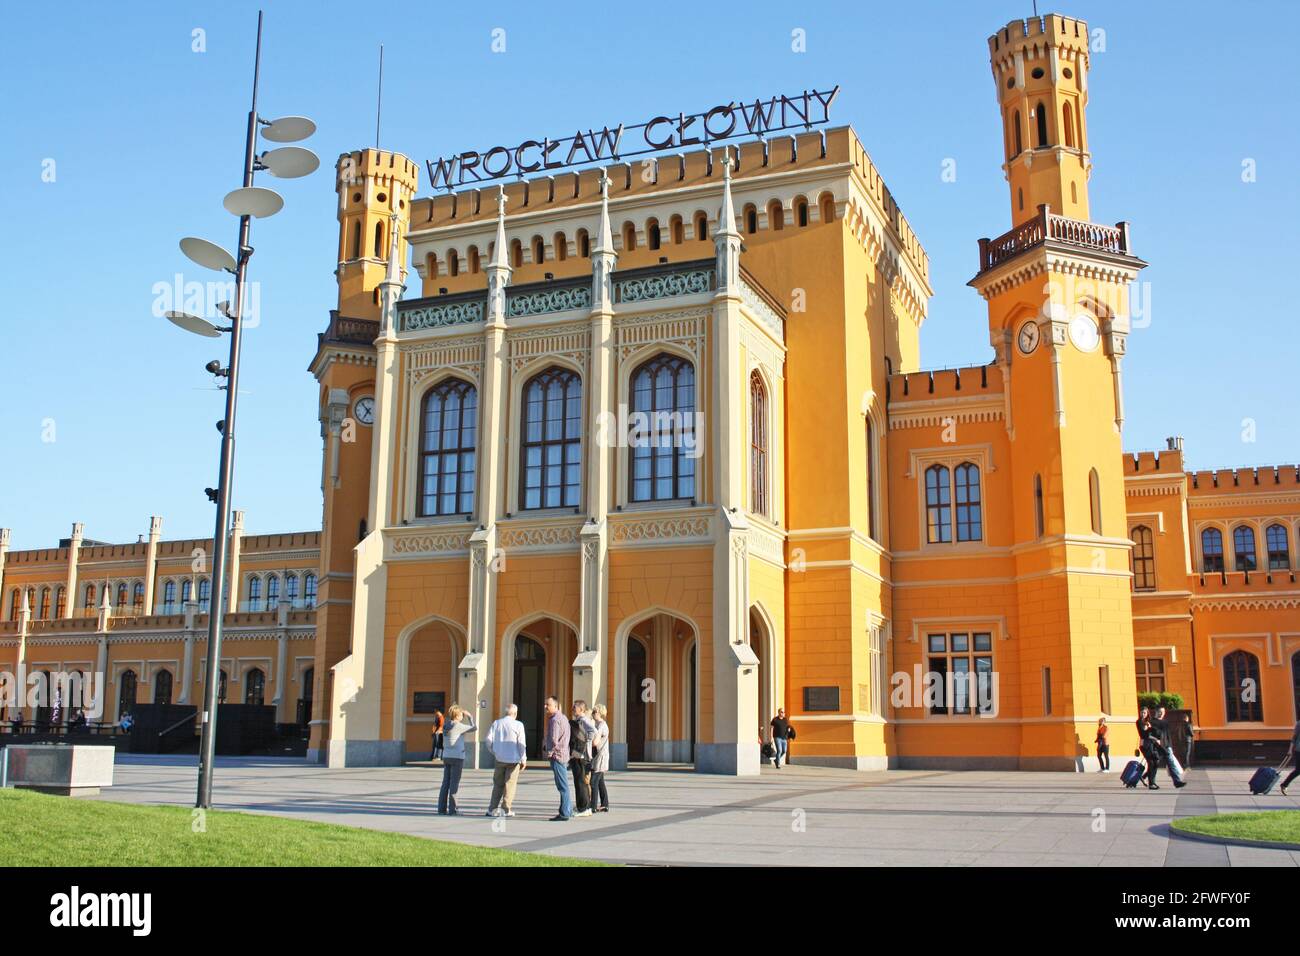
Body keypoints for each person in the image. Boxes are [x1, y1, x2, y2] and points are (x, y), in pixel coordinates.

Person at [485, 704, 527, 817]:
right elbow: (521, 744)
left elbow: (488, 740)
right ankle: (506, 809)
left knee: (498, 784)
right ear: (515, 713)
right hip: (514, 760)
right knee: (510, 785)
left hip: (500, 759)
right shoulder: (518, 725)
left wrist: (495, 752)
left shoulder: (496, 723)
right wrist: (524, 759)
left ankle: (492, 809)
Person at [437, 704, 476, 815]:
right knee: (454, 784)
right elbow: (474, 728)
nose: (462, 716)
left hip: (447, 756)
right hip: (457, 757)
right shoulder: (458, 726)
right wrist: (470, 717)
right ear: (458, 715)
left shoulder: (446, 724)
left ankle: (441, 808)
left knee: (445, 783)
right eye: (461, 715)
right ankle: (453, 809)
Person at [543, 696, 572, 821]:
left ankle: (565, 812)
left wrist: (549, 751)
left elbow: (554, 739)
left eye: (548, 705)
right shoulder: (564, 718)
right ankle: (566, 810)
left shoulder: (554, 720)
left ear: (555, 706)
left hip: (557, 756)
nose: (545, 707)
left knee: (562, 786)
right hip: (564, 754)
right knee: (564, 785)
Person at [569, 700, 596, 817]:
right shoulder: (579, 720)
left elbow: (593, 731)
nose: (573, 709)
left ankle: (583, 807)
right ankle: (585, 806)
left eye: (575, 707)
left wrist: (585, 741)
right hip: (579, 755)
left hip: (581, 755)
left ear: (581, 709)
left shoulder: (584, 720)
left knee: (580, 782)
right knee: (581, 781)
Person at [1151, 705, 1187, 788]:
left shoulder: (1165, 722)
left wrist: (1170, 746)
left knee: (1171, 764)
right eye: (1160, 712)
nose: (1161, 713)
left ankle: (1177, 782)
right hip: (1157, 746)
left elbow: (1168, 736)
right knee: (1154, 764)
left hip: (1166, 746)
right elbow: (1154, 734)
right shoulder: (1152, 722)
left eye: (1163, 712)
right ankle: (1150, 781)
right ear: (1156, 712)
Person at [590, 703, 611, 813]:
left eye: (594, 712)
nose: (593, 714)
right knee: (600, 781)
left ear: (600, 713)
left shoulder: (602, 726)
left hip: (600, 757)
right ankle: (605, 804)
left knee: (593, 782)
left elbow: (595, 742)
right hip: (599, 756)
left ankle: (592, 806)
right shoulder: (599, 725)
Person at [1136, 707, 1160, 789]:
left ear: (1147, 713)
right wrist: (1150, 729)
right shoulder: (1139, 722)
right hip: (1144, 745)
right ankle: (1151, 784)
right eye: (1141, 712)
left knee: (1156, 761)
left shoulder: (1149, 721)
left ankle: (1145, 777)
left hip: (1151, 745)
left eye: (1144, 713)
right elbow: (1143, 734)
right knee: (1151, 762)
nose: (1142, 714)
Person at [1279, 719, 1300, 796]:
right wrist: (1290, 750)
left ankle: (1284, 784)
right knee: (1298, 770)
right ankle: (1284, 785)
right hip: (1299, 750)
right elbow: (1294, 738)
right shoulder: (1299, 724)